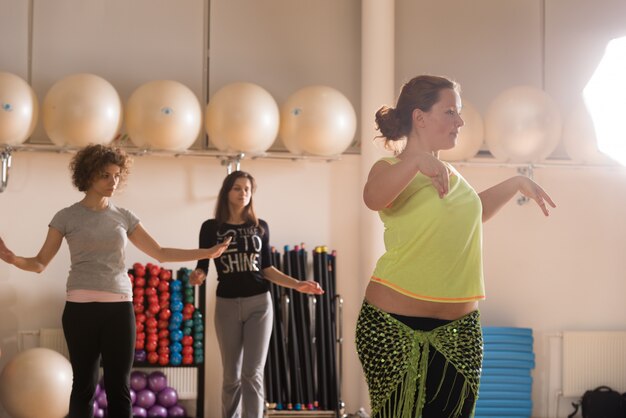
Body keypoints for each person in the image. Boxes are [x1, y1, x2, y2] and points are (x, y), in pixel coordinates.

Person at [356, 75, 556, 418]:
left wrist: (515, 183)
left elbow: (470, 215)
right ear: (420, 117)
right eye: (451, 112)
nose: (460, 122)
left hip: (459, 330)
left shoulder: (448, 173)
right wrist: (414, 162)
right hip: (393, 325)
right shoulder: (390, 167)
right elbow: (373, 197)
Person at [0, 144, 231, 418]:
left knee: (118, 387)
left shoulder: (123, 216)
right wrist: (13, 259)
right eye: (106, 175)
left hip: (119, 309)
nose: (114, 181)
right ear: (88, 176)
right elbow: (39, 263)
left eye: (117, 175)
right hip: (79, 310)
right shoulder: (66, 217)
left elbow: (160, 253)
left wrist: (206, 253)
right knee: (83, 387)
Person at [190, 170, 324, 418]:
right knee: (232, 375)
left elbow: (267, 268)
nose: (243, 193)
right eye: (237, 188)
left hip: (259, 304)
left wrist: (296, 284)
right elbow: (203, 266)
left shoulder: (260, 227)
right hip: (226, 304)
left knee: (252, 373)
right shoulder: (211, 228)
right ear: (226, 192)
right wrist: (197, 276)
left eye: (247, 189)